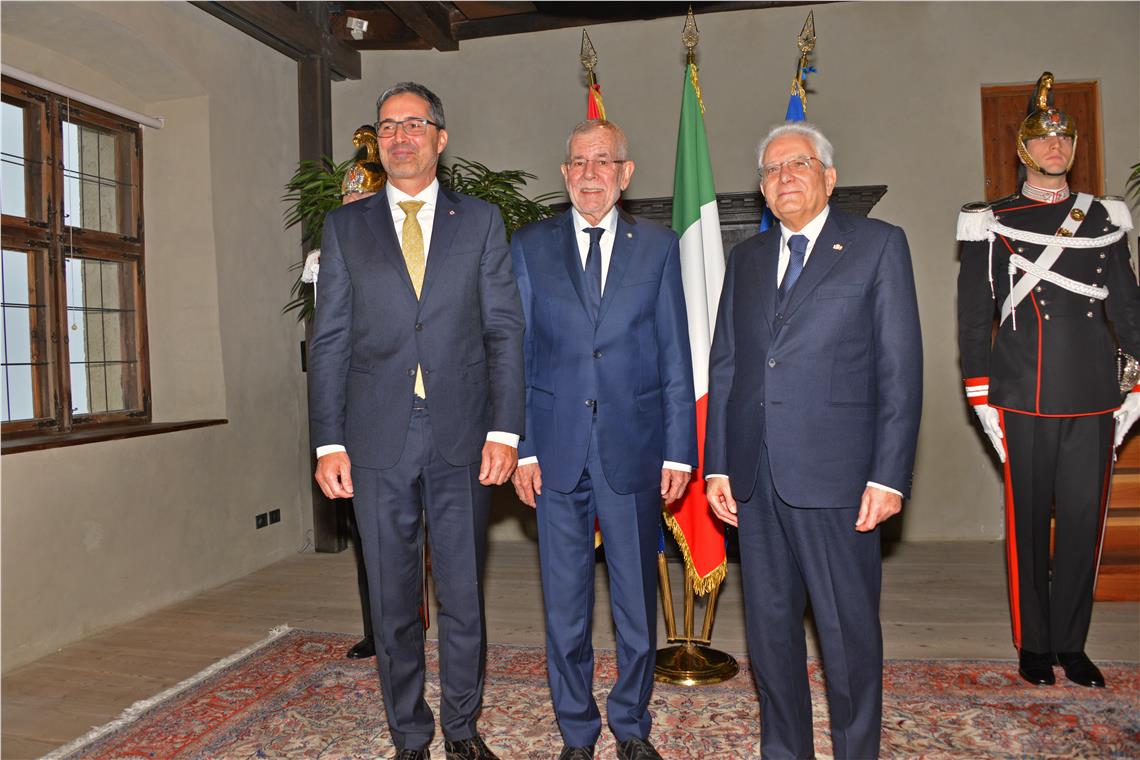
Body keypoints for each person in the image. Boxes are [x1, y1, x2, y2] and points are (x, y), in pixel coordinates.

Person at [308, 81, 524, 760]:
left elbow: (503, 330)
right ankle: (408, 732)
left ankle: (462, 726)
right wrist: (328, 441)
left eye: (413, 124)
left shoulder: (481, 221)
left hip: (463, 434)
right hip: (375, 438)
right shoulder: (345, 227)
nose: (399, 137)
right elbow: (329, 340)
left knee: (462, 591)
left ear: (440, 137)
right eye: (387, 126)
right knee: (393, 597)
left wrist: (505, 431)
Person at [704, 121, 923, 759]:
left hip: (839, 479)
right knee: (770, 638)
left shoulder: (878, 245)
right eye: (772, 170)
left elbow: (900, 369)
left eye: (798, 164)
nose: (785, 177)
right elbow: (727, 366)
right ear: (762, 189)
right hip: (755, 479)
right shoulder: (746, 259)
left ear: (829, 177)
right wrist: (717, 465)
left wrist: (889, 475)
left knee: (847, 637)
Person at [510, 119, 697, 760]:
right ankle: (576, 732)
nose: (590, 174)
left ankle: (632, 725)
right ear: (565, 174)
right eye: (579, 163)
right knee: (564, 606)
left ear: (625, 172)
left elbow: (675, 355)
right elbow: (518, 354)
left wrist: (679, 449)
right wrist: (523, 447)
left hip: (634, 449)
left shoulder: (659, 247)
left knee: (635, 605)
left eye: (603, 161)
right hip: (554, 451)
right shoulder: (530, 245)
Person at [957, 71, 1139, 689]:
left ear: (1075, 148)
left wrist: (1137, 388)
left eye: (1064, 139)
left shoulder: (1105, 216)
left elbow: (1128, 307)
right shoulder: (991, 220)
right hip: (1024, 395)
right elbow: (974, 316)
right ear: (1023, 149)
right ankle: (1034, 645)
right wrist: (980, 395)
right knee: (1028, 526)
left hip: (1094, 396)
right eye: (1042, 138)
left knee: (1085, 527)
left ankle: (1072, 644)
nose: (1054, 146)